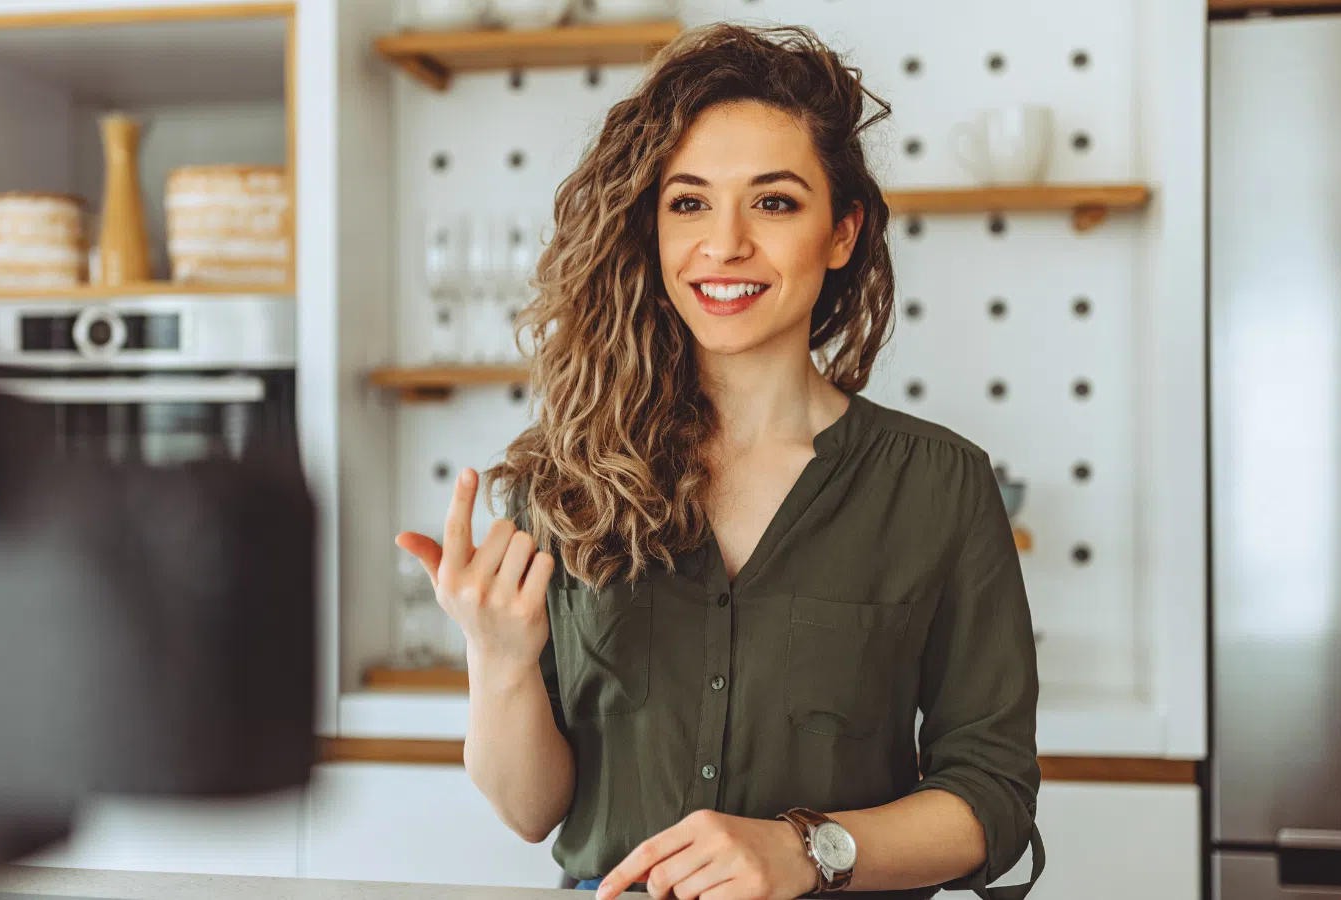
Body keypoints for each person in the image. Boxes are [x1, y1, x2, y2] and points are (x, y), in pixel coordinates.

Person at [394, 22, 1042, 900]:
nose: (725, 243)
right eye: (689, 203)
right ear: (651, 231)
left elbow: (992, 798)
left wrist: (807, 850)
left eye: (774, 202)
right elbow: (529, 809)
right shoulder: (563, 481)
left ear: (842, 232)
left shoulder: (941, 486)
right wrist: (499, 660)